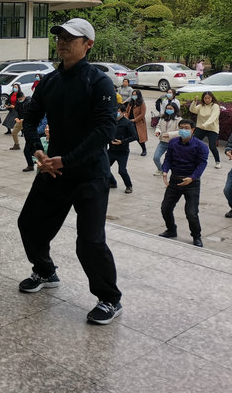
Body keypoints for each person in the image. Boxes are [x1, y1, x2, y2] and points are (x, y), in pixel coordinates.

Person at [17, 18, 122, 326]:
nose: (62, 42)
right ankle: (45, 271)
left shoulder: (99, 82)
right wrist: (37, 149)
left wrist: (66, 160)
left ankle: (109, 298)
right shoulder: (50, 81)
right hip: (52, 169)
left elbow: (105, 130)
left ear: (88, 44)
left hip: (89, 173)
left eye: (70, 38)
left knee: (89, 240)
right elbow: (31, 118)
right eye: (59, 37)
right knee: (29, 224)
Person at [158, 118, 208, 247]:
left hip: (191, 182)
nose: (183, 130)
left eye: (186, 128)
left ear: (193, 130)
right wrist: (165, 171)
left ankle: (196, 236)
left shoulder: (200, 146)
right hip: (175, 180)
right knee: (165, 208)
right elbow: (168, 158)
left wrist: (192, 178)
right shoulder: (173, 142)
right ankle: (171, 230)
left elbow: (202, 164)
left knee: (191, 213)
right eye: (181, 128)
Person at [108, 104, 137, 194]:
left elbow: (135, 136)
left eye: (118, 111)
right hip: (111, 150)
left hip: (122, 151)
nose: (116, 113)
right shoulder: (111, 121)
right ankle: (113, 182)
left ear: (123, 112)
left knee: (122, 171)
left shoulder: (128, 123)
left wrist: (122, 141)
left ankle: (129, 186)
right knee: (104, 167)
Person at [189, 91, 221, 168]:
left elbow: (213, 117)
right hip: (200, 128)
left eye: (209, 98)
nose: (207, 100)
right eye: (205, 98)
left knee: (212, 146)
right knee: (193, 143)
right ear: (203, 99)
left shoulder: (215, 106)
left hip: (212, 129)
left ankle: (217, 161)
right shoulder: (201, 106)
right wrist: (194, 102)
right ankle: (191, 158)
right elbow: (192, 110)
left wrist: (205, 125)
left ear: (212, 98)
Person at [152, 106, 180, 175]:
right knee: (156, 157)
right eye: (167, 108)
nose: (168, 110)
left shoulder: (178, 119)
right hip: (163, 142)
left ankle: (176, 174)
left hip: (173, 143)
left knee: (174, 160)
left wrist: (169, 134)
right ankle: (160, 170)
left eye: (171, 109)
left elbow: (179, 131)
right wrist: (158, 131)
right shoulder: (163, 118)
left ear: (175, 109)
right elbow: (158, 126)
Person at [125, 89, 148, 156]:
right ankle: (125, 149)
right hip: (129, 121)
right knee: (126, 136)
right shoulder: (130, 103)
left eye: (135, 95)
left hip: (138, 122)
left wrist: (135, 120)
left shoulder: (142, 103)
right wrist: (127, 118)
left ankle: (144, 149)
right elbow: (126, 111)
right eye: (133, 95)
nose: (134, 96)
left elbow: (142, 114)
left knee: (138, 137)